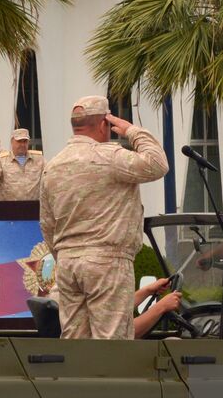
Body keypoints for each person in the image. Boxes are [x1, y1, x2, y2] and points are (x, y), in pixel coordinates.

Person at [40, 95, 169, 339]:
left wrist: (67, 253)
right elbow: (158, 164)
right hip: (106, 260)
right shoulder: (109, 156)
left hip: (68, 262)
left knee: (75, 341)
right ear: (103, 124)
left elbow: (47, 223)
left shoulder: (53, 165)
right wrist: (132, 130)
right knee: (112, 344)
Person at [0, 129, 46, 202]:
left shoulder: (39, 159)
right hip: (8, 209)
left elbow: (48, 177)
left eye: (25, 141)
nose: (22, 145)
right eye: (19, 141)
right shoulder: (1, 160)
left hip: (32, 208)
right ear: (12, 142)